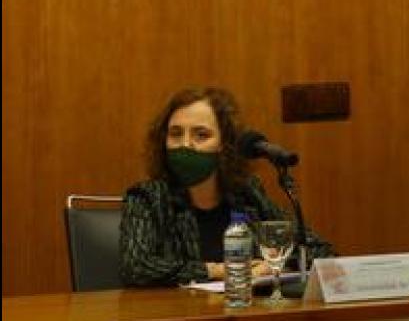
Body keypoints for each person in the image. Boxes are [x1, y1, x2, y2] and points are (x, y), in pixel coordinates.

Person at [120, 86, 334, 286]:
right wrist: (216, 271)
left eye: (201, 135)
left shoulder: (247, 194)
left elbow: (320, 250)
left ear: (223, 144)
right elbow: (136, 266)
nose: (185, 144)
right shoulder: (148, 198)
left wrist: (275, 265)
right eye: (176, 134)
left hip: (246, 308)